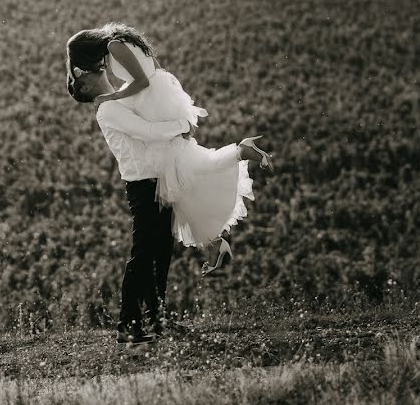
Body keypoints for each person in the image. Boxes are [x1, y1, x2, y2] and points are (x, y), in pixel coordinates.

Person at [66, 23, 274, 277]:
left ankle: (215, 236)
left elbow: (141, 81)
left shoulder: (113, 46)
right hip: (159, 95)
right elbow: (149, 71)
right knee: (181, 171)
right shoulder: (120, 41)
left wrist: (111, 97)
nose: (90, 66)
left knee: (174, 174)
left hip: (148, 96)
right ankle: (215, 240)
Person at [68, 66, 192, 346]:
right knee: (145, 253)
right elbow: (148, 132)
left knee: (160, 252)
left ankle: (157, 320)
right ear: (85, 89)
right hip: (143, 185)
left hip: (157, 180)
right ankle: (128, 324)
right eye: (80, 74)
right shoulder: (109, 110)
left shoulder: (120, 100)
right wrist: (183, 125)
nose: (84, 68)